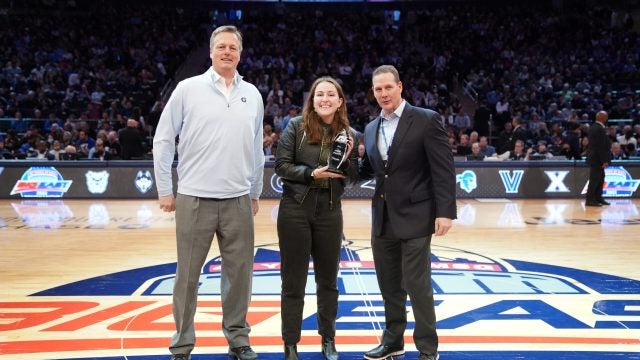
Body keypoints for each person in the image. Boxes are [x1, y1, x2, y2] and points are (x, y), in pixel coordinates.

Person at [153, 25, 265, 360]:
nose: (227, 52)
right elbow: (163, 139)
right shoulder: (188, 89)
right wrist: (164, 189)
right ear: (211, 51)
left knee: (240, 276)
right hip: (194, 198)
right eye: (221, 47)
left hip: (238, 199)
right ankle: (182, 344)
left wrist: (256, 191)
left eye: (233, 47)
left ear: (240, 52)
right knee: (186, 275)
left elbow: (257, 148)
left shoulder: (253, 95)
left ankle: (238, 339)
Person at [358, 65, 456, 360]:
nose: (383, 94)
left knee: (417, 285)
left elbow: (443, 169)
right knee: (389, 286)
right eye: (378, 89)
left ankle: (428, 348)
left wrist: (445, 211)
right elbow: (368, 170)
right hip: (383, 217)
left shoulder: (426, 120)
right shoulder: (371, 127)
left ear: (401, 86)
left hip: (417, 215)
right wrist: (342, 162)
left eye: (388, 87)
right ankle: (393, 341)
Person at [275, 76, 358, 360]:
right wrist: (311, 174)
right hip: (295, 210)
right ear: (312, 99)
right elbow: (281, 166)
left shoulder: (349, 133)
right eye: (319, 94)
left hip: (330, 212)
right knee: (293, 281)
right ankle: (290, 343)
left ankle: (328, 339)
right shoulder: (295, 126)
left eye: (330, 94)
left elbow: (354, 178)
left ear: (340, 101)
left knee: (328, 281)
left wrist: (348, 158)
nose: (324, 98)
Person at [585, 111, 612, 207]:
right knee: (595, 179)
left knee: (600, 179)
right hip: (597, 158)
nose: (607, 118)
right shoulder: (598, 128)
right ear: (601, 117)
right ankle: (590, 200)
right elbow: (600, 146)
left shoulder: (595, 127)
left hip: (596, 157)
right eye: (606, 116)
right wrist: (604, 160)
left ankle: (598, 198)